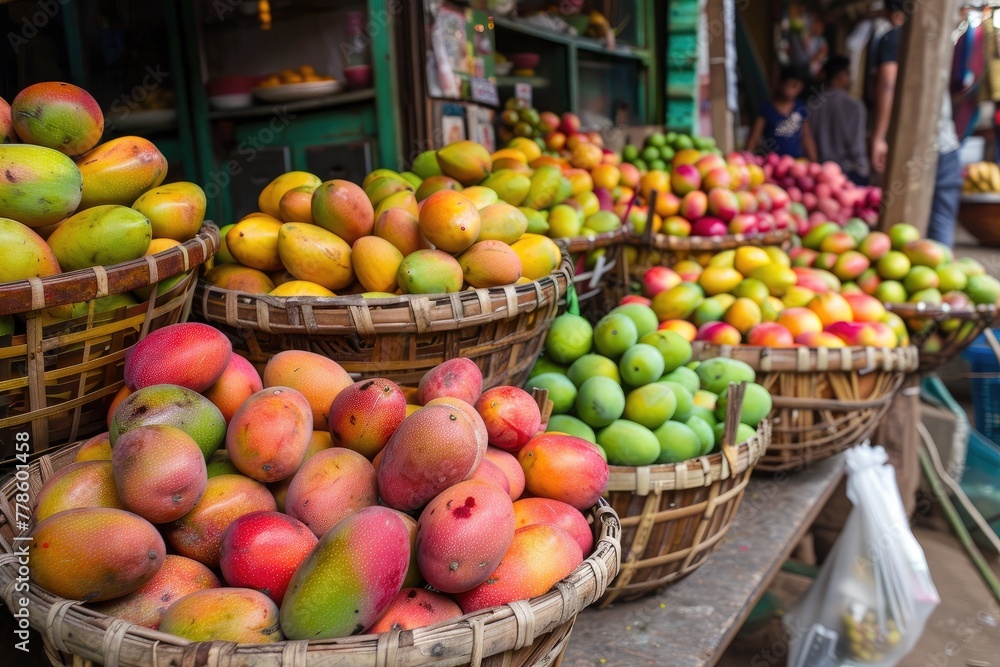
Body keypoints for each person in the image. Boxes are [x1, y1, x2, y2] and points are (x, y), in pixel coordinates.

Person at [871, 0, 962, 247]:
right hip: (947, 145)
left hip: (911, 149)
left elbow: (888, 85)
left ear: (896, 14)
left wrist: (880, 137)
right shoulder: (939, 39)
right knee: (940, 233)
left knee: (903, 231)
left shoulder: (893, 39)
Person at [810, 55, 870, 184]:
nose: (850, 79)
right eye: (848, 74)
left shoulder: (812, 106)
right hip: (849, 175)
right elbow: (857, 147)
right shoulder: (854, 106)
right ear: (839, 76)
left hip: (820, 175)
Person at [746, 67, 818, 161]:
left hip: (795, 163)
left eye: (796, 86)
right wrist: (747, 159)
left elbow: (806, 137)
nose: (792, 90)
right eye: (790, 85)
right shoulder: (767, 109)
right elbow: (754, 138)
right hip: (772, 163)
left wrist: (814, 161)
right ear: (781, 83)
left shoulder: (800, 108)